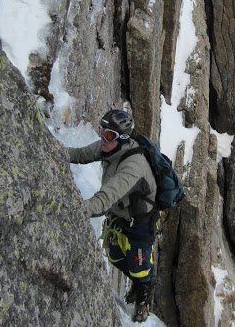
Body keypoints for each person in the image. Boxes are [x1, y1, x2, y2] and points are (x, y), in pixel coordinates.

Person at [67, 109, 158, 323]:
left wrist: (76, 210)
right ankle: (139, 281)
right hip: (119, 212)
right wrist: (56, 150)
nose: (102, 138)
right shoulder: (109, 147)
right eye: (101, 131)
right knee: (115, 256)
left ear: (122, 138)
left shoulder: (133, 166)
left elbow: (106, 197)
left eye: (108, 135)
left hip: (140, 222)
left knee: (139, 268)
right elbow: (81, 155)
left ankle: (144, 294)